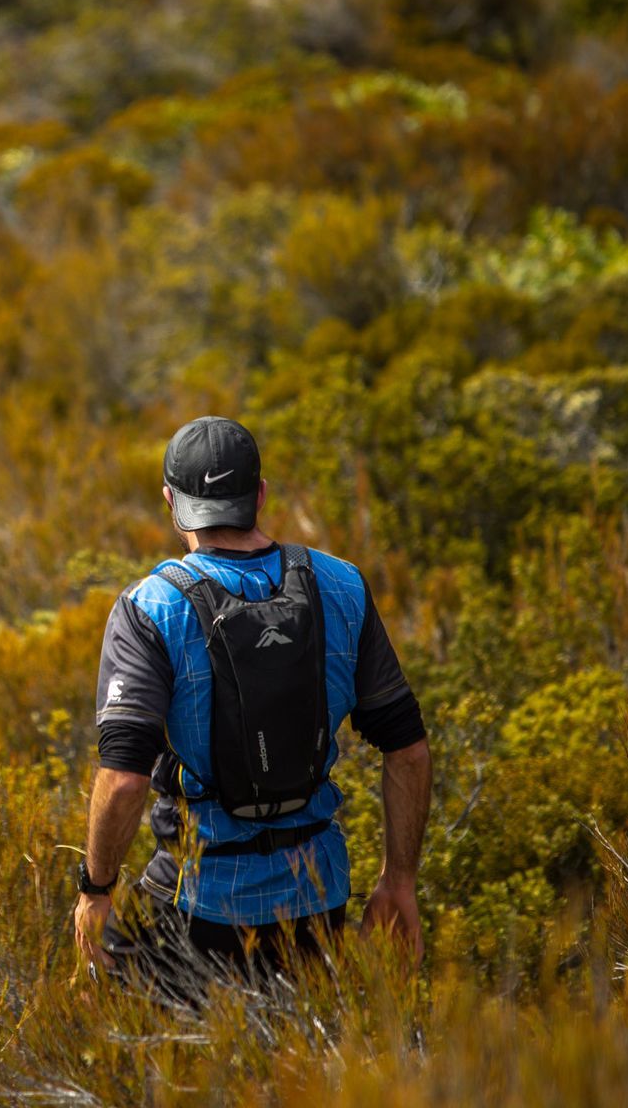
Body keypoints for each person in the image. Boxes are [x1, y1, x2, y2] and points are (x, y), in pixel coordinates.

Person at [71, 416, 431, 998]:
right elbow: (408, 749)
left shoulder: (151, 608)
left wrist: (96, 890)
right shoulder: (343, 585)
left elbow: (123, 780)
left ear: (171, 501)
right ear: (259, 495)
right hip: (319, 904)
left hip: (195, 909)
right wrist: (399, 882)